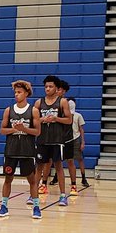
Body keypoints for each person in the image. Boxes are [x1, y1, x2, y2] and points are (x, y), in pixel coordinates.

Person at [0, 80, 42, 221]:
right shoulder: (8, 110)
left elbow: (37, 132)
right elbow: (2, 130)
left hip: (27, 150)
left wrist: (25, 129)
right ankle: (4, 206)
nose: (16, 94)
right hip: (11, 150)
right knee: (8, 178)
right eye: (15, 92)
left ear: (26, 93)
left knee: (32, 180)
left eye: (19, 92)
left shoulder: (33, 111)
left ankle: (36, 207)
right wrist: (15, 129)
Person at [35, 74, 73, 208]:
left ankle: (63, 195)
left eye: (50, 86)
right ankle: (33, 195)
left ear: (57, 88)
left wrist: (56, 119)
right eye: (46, 86)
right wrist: (43, 119)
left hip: (57, 140)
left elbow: (69, 120)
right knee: (38, 167)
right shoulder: (39, 102)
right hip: (42, 139)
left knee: (58, 167)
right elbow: (33, 121)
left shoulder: (62, 102)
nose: (47, 89)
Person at [67, 96, 88, 192]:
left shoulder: (78, 115)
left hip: (76, 139)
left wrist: (83, 142)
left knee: (79, 159)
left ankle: (83, 178)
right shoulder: (64, 115)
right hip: (67, 139)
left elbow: (81, 129)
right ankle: (56, 178)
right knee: (65, 160)